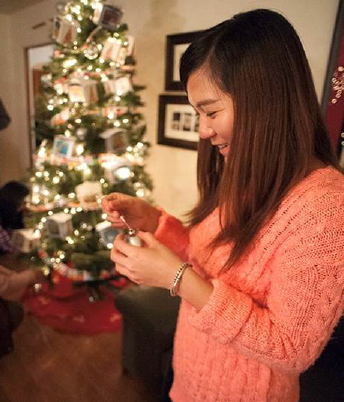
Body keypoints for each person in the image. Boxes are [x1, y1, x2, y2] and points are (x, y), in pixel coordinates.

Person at [102, 9, 344, 402]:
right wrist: (154, 222)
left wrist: (178, 280)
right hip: (189, 376)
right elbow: (213, 259)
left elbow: (291, 350)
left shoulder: (327, 209)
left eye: (211, 111)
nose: (203, 130)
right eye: (198, 112)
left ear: (264, 99)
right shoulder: (248, 171)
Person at [0, 181, 29, 254]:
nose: (25, 205)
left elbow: (19, 230)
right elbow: (8, 247)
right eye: (23, 201)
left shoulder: (14, 213)